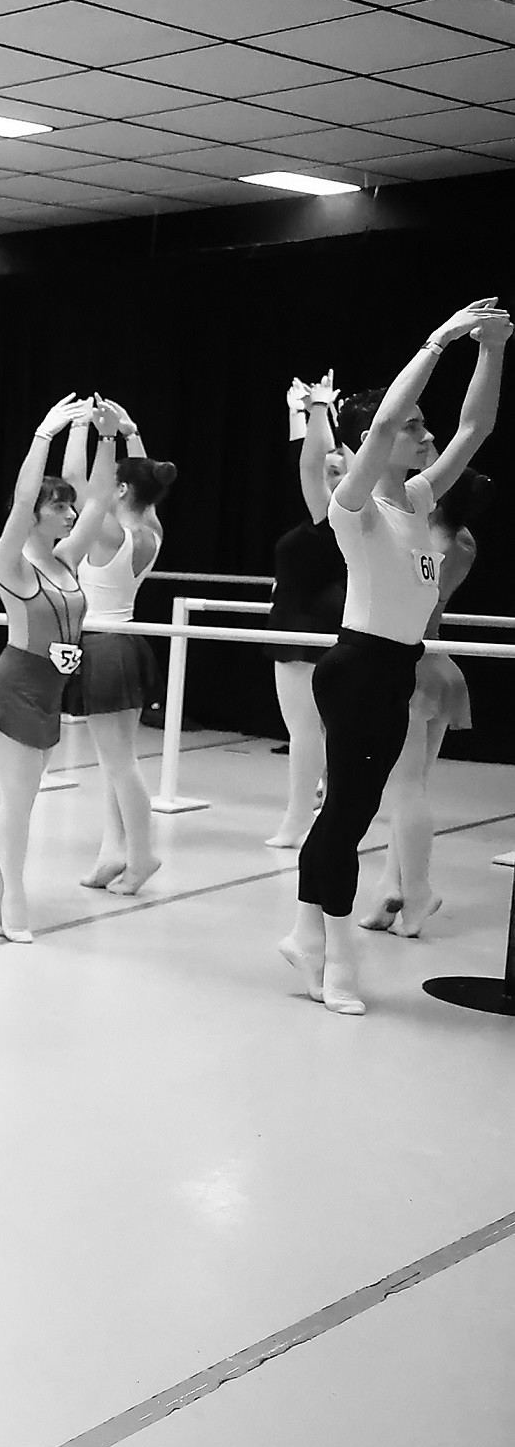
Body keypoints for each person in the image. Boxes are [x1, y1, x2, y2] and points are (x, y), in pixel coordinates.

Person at [284, 301, 505, 1016]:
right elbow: (380, 427)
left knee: (349, 813)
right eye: (415, 426)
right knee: (348, 816)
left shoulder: (417, 498)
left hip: (395, 670)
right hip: (355, 669)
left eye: (421, 425)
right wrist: (438, 340)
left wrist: (492, 349)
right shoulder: (355, 505)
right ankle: (337, 959)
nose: (425, 434)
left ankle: (304, 935)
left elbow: (475, 429)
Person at [0, 396, 108, 943]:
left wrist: (109, 437)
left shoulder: (66, 558)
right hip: (13, 687)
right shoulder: (11, 564)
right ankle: (13, 900)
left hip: (50, 691)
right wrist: (43, 436)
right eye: (60, 506)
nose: (70, 514)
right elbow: (23, 498)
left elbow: (100, 502)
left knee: (13, 797)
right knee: (21, 802)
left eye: (69, 507)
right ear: (34, 515)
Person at [361, 468, 489, 938]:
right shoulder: (464, 542)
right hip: (438, 664)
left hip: (410, 665)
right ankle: (390, 888)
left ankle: (417, 891)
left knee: (406, 789)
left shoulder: (424, 541)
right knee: (411, 788)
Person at [62, 397, 174, 895]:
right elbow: (149, 478)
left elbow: (76, 481)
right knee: (115, 762)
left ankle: (143, 853)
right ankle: (114, 850)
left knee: (119, 765)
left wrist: (84, 429)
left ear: (121, 489)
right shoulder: (151, 529)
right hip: (125, 641)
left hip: (105, 646)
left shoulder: (107, 533)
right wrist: (130, 433)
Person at [265, 373, 346, 848]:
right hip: (309, 621)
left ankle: (299, 819)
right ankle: (317, 808)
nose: (327, 476)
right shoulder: (335, 514)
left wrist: (317, 409)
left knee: (305, 730)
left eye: (339, 472)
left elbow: (312, 463)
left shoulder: (334, 515)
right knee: (316, 730)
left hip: (307, 627)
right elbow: (310, 456)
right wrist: (305, 413)